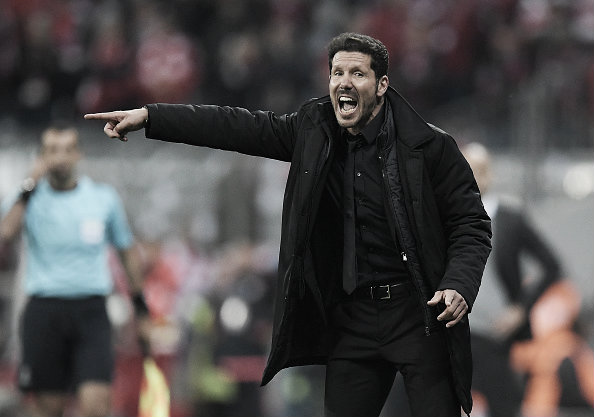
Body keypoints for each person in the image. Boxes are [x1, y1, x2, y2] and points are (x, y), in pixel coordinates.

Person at [85, 32, 492, 417]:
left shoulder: (430, 147)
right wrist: (151, 118)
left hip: (418, 312)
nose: (343, 82)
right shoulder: (313, 131)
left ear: (382, 85)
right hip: (354, 318)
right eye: (336, 73)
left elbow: (472, 224)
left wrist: (458, 283)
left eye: (356, 73)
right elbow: (235, 126)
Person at [0, 125, 148, 417]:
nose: (61, 157)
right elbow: (6, 233)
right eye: (53, 150)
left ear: (78, 153)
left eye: (67, 149)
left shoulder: (102, 199)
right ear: (42, 156)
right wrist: (31, 179)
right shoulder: (27, 199)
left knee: (96, 405)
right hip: (45, 310)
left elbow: (126, 252)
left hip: (91, 311)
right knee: (49, 408)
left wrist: (141, 307)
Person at [460, 142, 576, 417]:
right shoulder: (442, 216)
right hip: (453, 331)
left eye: (479, 170)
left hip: (494, 334)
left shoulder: (510, 219)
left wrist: (521, 309)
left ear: (490, 174)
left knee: (503, 403)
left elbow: (551, 265)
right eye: (467, 170)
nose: (473, 177)